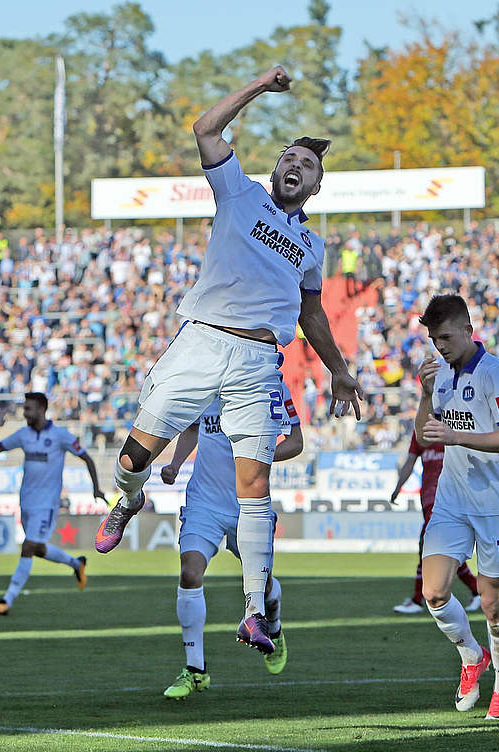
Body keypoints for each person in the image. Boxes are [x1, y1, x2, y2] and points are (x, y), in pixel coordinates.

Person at [94, 65, 361, 656]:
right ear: (275, 170)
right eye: (290, 158)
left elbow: (312, 316)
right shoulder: (239, 192)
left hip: (259, 361)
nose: (297, 167)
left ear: (316, 188)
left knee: (255, 486)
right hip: (201, 341)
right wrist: (260, 87)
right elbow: (205, 128)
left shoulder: (314, 247)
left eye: (309, 165)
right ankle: (128, 496)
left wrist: (340, 370)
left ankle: (252, 614)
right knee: (135, 453)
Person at [414, 294, 499, 721]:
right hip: (453, 500)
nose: (438, 346)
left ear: (467, 330)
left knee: (494, 605)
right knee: (434, 591)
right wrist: (425, 394)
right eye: (432, 338)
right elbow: (426, 436)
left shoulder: (494, 373)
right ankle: (471, 655)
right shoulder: (439, 374)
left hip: (497, 503)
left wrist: (458, 437)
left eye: (444, 337)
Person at [157, 384, 304, 699]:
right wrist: (175, 464)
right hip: (204, 502)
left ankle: (274, 627)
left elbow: (295, 442)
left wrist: (258, 457)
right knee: (189, 572)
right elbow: (195, 426)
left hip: (249, 505)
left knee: (262, 588)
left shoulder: (272, 387)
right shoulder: (208, 383)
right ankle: (195, 670)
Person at [0, 392, 104, 615]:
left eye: (28, 409)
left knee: (28, 546)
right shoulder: (23, 434)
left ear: (41, 409)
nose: (25, 413)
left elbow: (87, 458)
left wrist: (96, 488)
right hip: (26, 501)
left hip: (47, 503)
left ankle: (7, 600)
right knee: (37, 548)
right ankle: (77, 564)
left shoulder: (60, 435)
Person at [389, 431, 481, 615]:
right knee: (445, 551)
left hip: (447, 499)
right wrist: (398, 487)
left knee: (427, 547)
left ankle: (417, 599)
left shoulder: (453, 426)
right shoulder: (421, 432)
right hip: (428, 499)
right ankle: (477, 590)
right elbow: (410, 462)